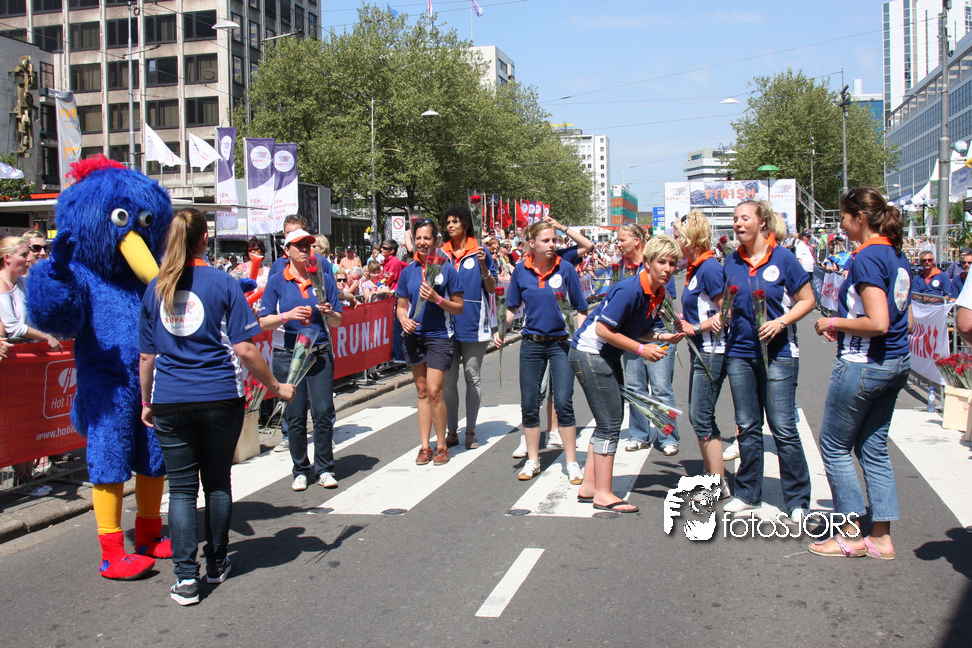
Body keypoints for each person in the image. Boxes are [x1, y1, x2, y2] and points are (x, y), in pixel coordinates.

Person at [138, 208, 295, 605]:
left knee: (181, 490)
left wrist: (146, 400)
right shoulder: (224, 283)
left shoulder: (156, 287)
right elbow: (245, 349)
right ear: (204, 239)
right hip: (219, 394)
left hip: (170, 398)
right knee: (218, 482)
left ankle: (185, 578)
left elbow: (146, 357)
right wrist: (275, 386)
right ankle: (217, 559)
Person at [807, 188, 911, 559]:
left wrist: (833, 322)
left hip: (863, 364)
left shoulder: (867, 256)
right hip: (895, 362)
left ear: (860, 218)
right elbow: (899, 319)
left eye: (843, 217)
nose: (841, 224)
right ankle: (881, 537)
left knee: (834, 447)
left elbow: (878, 321)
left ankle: (849, 533)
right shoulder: (895, 253)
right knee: (873, 448)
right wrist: (849, 326)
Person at [571, 235, 685, 512]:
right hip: (591, 353)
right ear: (648, 263)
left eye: (672, 263)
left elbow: (637, 329)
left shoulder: (658, 292)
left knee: (606, 420)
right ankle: (603, 494)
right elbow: (603, 329)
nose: (668, 269)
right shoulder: (630, 289)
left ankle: (590, 486)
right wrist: (642, 350)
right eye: (662, 262)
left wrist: (662, 337)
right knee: (611, 423)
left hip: (605, 355)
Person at [722, 200, 815, 523]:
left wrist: (781, 322)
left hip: (779, 354)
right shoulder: (732, 260)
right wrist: (724, 316)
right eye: (735, 219)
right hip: (740, 352)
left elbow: (808, 300)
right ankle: (748, 493)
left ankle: (798, 499)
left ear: (762, 222)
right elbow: (729, 299)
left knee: (783, 427)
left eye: (744, 218)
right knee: (747, 425)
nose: (738, 224)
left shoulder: (784, 258)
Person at [495, 221, 587, 483]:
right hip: (532, 344)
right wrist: (502, 328)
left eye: (554, 240)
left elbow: (581, 307)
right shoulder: (521, 271)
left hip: (561, 344)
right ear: (532, 244)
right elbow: (512, 307)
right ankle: (533, 459)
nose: (552, 245)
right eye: (546, 240)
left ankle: (572, 463)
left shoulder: (565, 268)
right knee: (529, 403)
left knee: (564, 402)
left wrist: (579, 335)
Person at [259, 228, 343, 491]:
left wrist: (329, 313)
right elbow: (263, 321)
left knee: (323, 412)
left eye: (309, 244)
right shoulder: (277, 280)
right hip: (288, 355)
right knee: (295, 415)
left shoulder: (323, 278)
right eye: (299, 245)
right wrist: (288, 316)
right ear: (287, 251)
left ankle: (324, 468)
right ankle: (300, 469)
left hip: (319, 352)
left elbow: (338, 320)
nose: (306, 249)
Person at [396, 218, 464, 466]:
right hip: (414, 337)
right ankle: (425, 446)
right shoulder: (408, 271)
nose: (423, 242)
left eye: (427, 238)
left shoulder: (447, 269)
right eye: (419, 238)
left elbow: (459, 307)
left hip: (439, 337)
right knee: (422, 391)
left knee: (435, 391)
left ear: (436, 240)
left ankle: (441, 445)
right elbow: (401, 306)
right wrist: (403, 320)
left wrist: (437, 299)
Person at [673, 212, 731, 497]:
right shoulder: (696, 268)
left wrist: (695, 327)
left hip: (712, 351)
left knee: (701, 416)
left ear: (690, 238)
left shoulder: (709, 268)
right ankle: (712, 475)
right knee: (699, 416)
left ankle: (718, 482)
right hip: (701, 350)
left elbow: (727, 311)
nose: (675, 241)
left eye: (677, 236)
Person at [616, 224, 680, 456]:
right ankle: (638, 434)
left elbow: (667, 298)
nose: (618, 245)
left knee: (661, 387)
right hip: (631, 334)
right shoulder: (622, 267)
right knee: (635, 387)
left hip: (657, 331)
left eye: (622, 240)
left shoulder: (659, 262)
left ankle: (668, 436)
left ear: (637, 241)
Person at [440, 205, 496, 451]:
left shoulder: (480, 251)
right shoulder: (440, 254)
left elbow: (492, 288)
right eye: (448, 222)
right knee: (448, 381)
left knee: (472, 376)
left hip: (474, 324)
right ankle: (452, 430)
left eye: (455, 221)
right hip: (446, 325)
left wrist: (484, 266)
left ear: (465, 224)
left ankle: (471, 430)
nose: (450, 226)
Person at [0, 236, 61, 350]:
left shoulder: (22, 281)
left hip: (32, 350)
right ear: (7, 258)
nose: (28, 259)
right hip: (15, 354)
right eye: (23, 255)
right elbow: (12, 327)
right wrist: (46, 337)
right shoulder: (1, 284)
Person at [381, 238, 408, 364]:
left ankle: (399, 355)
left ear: (392, 251)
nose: (382, 250)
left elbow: (387, 279)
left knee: (397, 328)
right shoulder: (387, 262)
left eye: (385, 248)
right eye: (382, 247)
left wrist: (377, 284)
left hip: (395, 298)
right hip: (390, 298)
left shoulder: (394, 262)